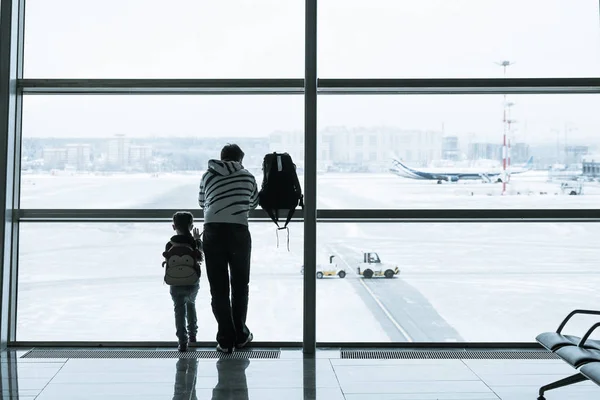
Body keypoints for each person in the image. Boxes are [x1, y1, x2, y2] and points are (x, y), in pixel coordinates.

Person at [198, 144, 259, 353]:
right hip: (238, 232)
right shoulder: (247, 176)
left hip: (213, 231)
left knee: (218, 287)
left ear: (221, 158)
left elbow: (201, 202)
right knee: (241, 285)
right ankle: (241, 334)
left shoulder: (207, 175)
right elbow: (253, 204)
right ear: (240, 159)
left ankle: (225, 339)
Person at [165, 211, 203, 352]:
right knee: (191, 305)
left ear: (173, 227)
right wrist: (198, 240)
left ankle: (182, 341)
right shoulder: (193, 243)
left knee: (179, 310)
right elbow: (200, 256)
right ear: (191, 226)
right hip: (192, 281)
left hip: (175, 283)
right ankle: (193, 335)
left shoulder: (169, 244)